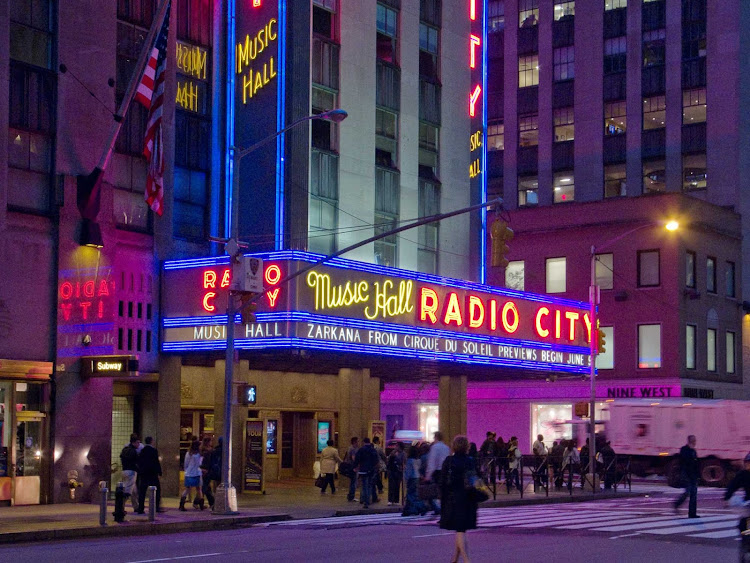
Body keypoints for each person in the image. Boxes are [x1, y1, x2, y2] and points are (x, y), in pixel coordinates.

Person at [440, 435, 479, 563]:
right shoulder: (470, 460)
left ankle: (467, 560)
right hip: (468, 498)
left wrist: (442, 497)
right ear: (466, 446)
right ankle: (455, 559)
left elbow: (443, 481)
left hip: (453, 498)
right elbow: (476, 478)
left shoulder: (449, 461)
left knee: (460, 529)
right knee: (461, 529)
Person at [426, 431, 451, 515]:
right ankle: (444, 509)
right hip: (445, 471)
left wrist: (428, 475)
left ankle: (437, 508)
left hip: (437, 471)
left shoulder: (435, 447)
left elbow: (432, 462)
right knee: (443, 491)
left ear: (436, 437)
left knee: (433, 491)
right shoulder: (446, 447)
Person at [674, 435, 699, 518]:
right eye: (693, 440)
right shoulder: (684, 450)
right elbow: (685, 461)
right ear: (689, 441)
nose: (695, 442)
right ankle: (677, 503)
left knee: (693, 494)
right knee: (688, 492)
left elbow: (696, 464)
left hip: (693, 475)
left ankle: (692, 513)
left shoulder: (693, 451)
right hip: (686, 475)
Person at [136, 436, 162, 513]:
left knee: (142, 491)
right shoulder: (153, 450)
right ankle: (156, 507)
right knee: (157, 490)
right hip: (152, 473)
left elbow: (139, 461)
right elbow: (156, 461)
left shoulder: (142, 450)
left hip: (144, 473)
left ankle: (141, 508)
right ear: (151, 441)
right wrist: (159, 471)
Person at [402, 445, 427, 516]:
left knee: (410, 495)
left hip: (412, 479)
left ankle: (421, 507)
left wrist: (405, 478)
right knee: (414, 495)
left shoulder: (410, 461)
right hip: (417, 477)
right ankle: (411, 510)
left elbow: (408, 472)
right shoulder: (418, 460)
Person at [354, 437, 379, 508]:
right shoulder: (373, 450)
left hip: (363, 470)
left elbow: (357, 459)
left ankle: (365, 500)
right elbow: (376, 460)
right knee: (369, 485)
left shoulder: (361, 450)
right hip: (371, 470)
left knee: (364, 485)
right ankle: (368, 500)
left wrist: (355, 467)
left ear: (364, 442)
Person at [180, 440, 204, 510]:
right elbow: (200, 464)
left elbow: (186, 463)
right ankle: (201, 505)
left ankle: (181, 505)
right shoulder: (200, 454)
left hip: (189, 473)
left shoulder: (188, 453)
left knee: (187, 489)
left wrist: (186, 471)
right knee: (199, 489)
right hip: (197, 472)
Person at [119, 433, 140, 512]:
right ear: (134, 442)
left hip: (124, 471)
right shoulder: (133, 451)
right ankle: (121, 506)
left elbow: (121, 457)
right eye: (138, 442)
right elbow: (136, 462)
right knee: (128, 490)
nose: (139, 444)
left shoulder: (125, 450)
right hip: (131, 472)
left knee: (134, 490)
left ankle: (136, 506)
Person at [387, 441, 406, 505]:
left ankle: (396, 500)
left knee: (397, 486)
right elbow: (389, 459)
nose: (395, 447)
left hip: (399, 471)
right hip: (392, 470)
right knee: (391, 485)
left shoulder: (403, 453)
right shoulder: (393, 452)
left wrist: (402, 467)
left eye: (397, 445)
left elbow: (404, 462)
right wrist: (392, 456)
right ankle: (390, 500)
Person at [199, 437, 215, 509]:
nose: (211, 443)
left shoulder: (201, 450)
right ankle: (198, 501)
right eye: (210, 441)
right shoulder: (208, 452)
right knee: (205, 487)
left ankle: (211, 503)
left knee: (206, 486)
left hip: (202, 470)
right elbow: (209, 462)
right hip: (206, 470)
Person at [344, 437, 359, 501]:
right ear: (354, 442)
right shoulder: (353, 449)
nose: (358, 443)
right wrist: (357, 465)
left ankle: (351, 496)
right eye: (357, 441)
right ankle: (351, 496)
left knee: (352, 482)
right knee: (354, 482)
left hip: (350, 466)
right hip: (353, 467)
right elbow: (353, 458)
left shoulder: (349, 448)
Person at [373, 436, 387, 500]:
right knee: (378, 477)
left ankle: (379, 488)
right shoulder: (378, 448)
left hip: (372, 465)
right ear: (377, 441)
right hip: (378, 465)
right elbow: (383, 456)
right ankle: (380, 488)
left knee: (375, 477)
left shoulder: (371, 447)